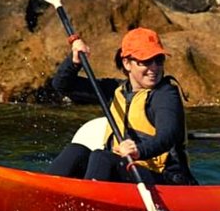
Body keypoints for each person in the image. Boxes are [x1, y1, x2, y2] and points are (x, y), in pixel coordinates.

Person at [48, 27, 198, 186]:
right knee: (76, 151)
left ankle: (88, 198)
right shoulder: (116, 90)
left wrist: (139, 150)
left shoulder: (165, 94)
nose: (154, 68)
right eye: (146, 61)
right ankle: (44, 191)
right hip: (127, 172)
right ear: (127, 63)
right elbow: (62, 85)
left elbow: (167, 136)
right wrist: (74, 62)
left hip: (168, 180)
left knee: (102, 157)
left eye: (159, 60)